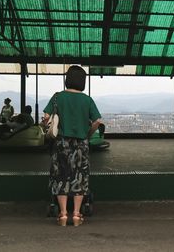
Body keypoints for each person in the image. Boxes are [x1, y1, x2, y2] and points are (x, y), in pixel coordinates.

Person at [43, 65, 101, 227]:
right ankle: (76, 214)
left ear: (67, 79)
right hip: (81, 144)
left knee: (61, 176)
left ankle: (62, 214)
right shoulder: (87, 100)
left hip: (61, 143)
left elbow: (46, 118)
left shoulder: (57, 97)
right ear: (82, 81)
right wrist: (87, 134)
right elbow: (97, 121)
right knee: (80, 177)